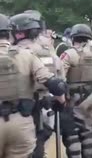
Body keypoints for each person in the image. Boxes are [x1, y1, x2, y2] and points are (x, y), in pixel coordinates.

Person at [0, 13, 67, 157]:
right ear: (10, 33)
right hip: (22, 120)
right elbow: (54, 83)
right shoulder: (28, 54)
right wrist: (60, 98)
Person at [60, 24, 92, 157]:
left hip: (78, 97)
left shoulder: (69, 54)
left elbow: (60, 77)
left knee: (73, 131)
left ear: (73, 38)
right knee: (88, 129)